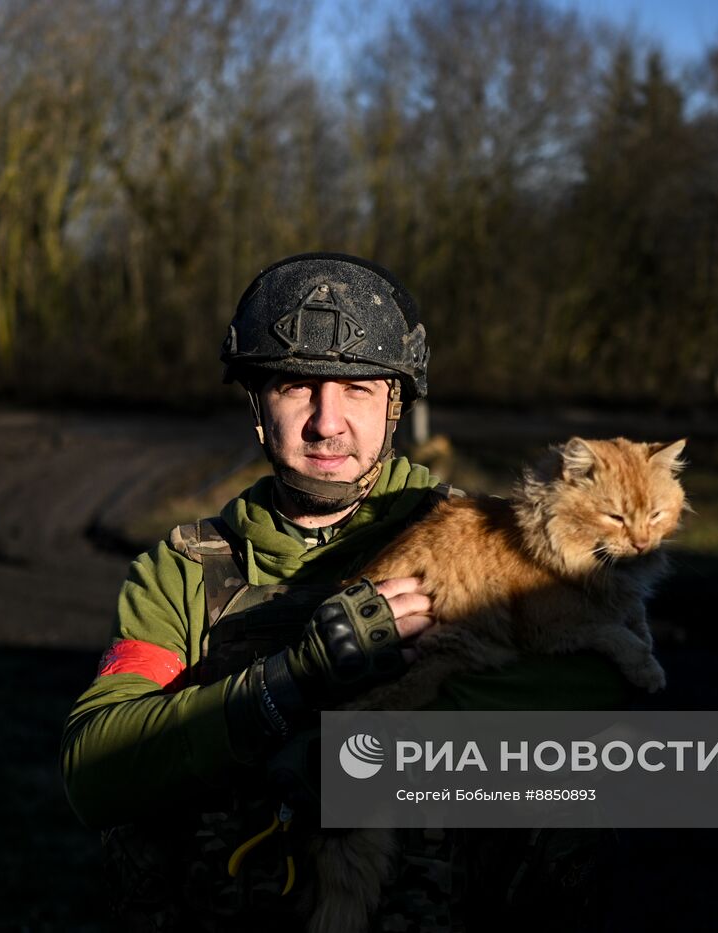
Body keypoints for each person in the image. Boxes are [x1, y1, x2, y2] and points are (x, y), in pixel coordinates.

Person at [61, 253, 631, 932]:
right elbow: (96, 769)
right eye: (297, 386)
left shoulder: (486, 540)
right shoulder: (179, 573)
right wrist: (288, 684)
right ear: (256, 400)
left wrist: (362, 729)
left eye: (357, 388)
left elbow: (594, 690)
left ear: (395, 404)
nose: (326, 422)